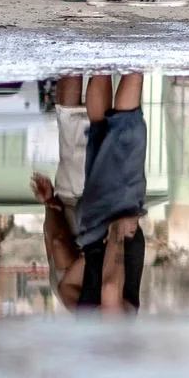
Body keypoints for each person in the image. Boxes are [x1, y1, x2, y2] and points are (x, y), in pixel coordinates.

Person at [67, 73, 148, 312]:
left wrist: (116, 233)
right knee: (99, 128)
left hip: (115, 218)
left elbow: (111, 288)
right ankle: (99, 59)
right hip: (90, 227)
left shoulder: (117, 329)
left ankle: (136, 57)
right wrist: (92, 259)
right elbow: (66, 287)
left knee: (127, 130)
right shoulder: (87, 325)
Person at [27, 76, 92, 305]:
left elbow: (58, 243)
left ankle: (77, 59)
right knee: (69, 119)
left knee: (73, 118)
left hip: (81, 196)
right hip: (69, 197)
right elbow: (52, 241)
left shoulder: (77, 303)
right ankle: (73, 61)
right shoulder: (62, 296)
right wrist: (50, 204)